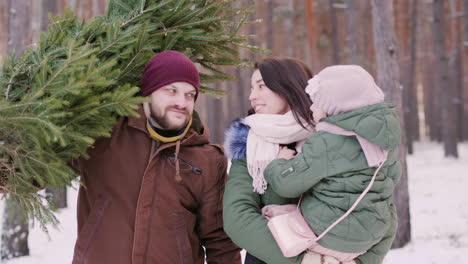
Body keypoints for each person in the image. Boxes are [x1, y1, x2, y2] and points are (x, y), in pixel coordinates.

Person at [70, 50, 241, 264]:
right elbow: (36, 170)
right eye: (172, 90)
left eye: (190, 94)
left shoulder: (206, 160)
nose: (182, 102)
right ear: (148, 92)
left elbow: (221, 244)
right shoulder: (104, 135)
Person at [223, 58, 399, 264]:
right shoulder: (250, 146)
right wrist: (305, 261)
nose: (252, 96)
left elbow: (377, 205)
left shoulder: (338, 136)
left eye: (261, 86)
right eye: (251, 88)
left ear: (287, 86)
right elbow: (238, 218)